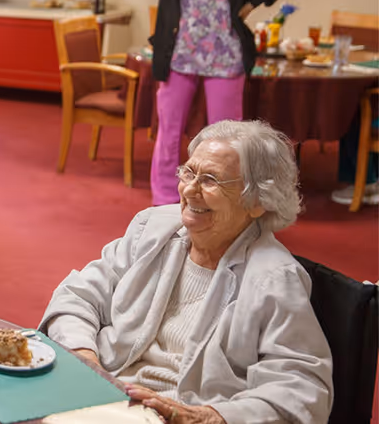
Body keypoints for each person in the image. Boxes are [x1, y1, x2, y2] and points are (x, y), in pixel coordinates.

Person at [40, 120, 332, 424]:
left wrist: (210, 416)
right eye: (189, 172)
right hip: (104, 393)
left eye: (210, 180)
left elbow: (302, 389)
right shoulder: (152, 228)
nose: (190, 190)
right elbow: (77, 296)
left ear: (257, 201)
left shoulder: (274, 278)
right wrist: (84, 358)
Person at [149, 0, 302, 206]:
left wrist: (253, 2)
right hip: (178, 52)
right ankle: (164, 204)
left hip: (225, 53)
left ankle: (222, 201)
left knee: (226, 137)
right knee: (169, 132)